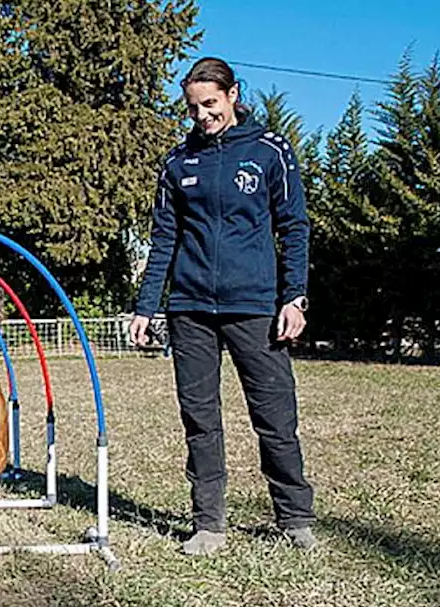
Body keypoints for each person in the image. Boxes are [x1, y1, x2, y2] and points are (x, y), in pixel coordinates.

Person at [129, 57, 316, 556]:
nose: (202, 116)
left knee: (274, 416)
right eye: (193, 108)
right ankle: (208, 523)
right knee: (200, 418)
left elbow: (294, 228)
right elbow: (164, 239)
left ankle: (294, 516)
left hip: (255, 306)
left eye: (210, 104)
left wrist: (293, 297)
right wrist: (147, 308)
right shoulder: (176, 163)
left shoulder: (270, 152)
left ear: (233, 95)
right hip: (190, 309)